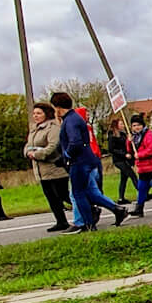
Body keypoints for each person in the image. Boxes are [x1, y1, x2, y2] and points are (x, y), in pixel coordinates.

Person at [53, 91, 127, 231]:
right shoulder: (74, 118)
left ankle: (88, 224)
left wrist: (66, 155)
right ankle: (117, 210)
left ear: (57, 107)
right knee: (90, 192)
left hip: (79, 162)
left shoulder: (70, 120)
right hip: (87, 159)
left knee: (78, 193)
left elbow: (75, 142)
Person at [22, 102, 72, 232]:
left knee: (64, 195)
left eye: (39, 113)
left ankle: (90, 209)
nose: (35, 116)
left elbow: (53, 145)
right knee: (51, 197)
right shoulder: (34, 129)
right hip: (41, 171)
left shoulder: (53, 127)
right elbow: (28, 144)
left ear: (46, 114)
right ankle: (61, 221)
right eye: (34, 113)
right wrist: (28, 153)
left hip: (55, 169)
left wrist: (37, 154)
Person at [105, 120, 138, 202]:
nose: (123, 125)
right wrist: (123, 154)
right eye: (121, 124)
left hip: (125, 159)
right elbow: (111, 149)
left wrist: (129, 141)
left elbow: (126, 145)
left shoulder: (123, 135)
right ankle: (142, 193)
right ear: (116, 125)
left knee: (124, 178)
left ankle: (121, 197)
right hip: (119, 160)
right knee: (132, 175)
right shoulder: (112, 136)